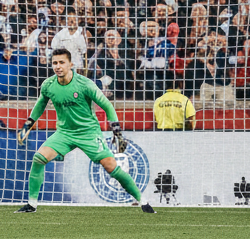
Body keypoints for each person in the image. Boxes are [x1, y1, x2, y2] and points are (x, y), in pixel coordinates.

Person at [15, 48, 155, 214]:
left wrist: (116, 131)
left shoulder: (84, 84)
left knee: (111, 166)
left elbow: (107, 105)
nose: (58, 66)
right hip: (64, 133)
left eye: (61, 62)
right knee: (39, 158)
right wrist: (27, 125)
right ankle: (31, 204)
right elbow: (40, 105)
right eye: (55, 63)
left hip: (89, 132)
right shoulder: (48, 85)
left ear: (71, 64)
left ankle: (142, 201)